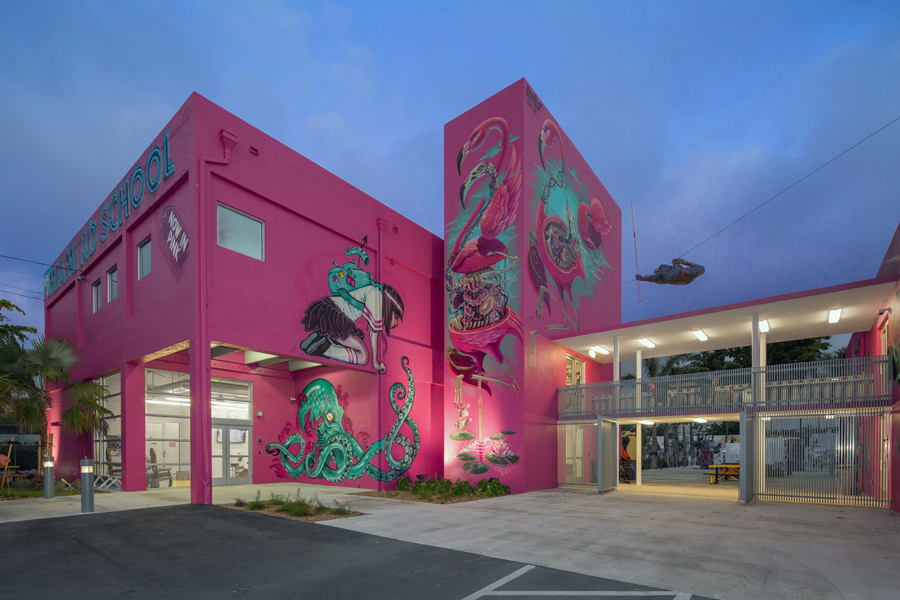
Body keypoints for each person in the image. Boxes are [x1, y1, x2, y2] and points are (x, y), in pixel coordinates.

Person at [300, 283, 404, 374]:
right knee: (363, 357)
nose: (395, 323)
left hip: (328, 311)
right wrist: (376, 365)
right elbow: (373, 333)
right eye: (396, 317)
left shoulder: (373, 292)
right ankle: (324, 347)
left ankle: (321, 339)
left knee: (358, 349)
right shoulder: (376, 296)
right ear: (391, 309)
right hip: (336, 317)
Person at [636, 257, 705, 285]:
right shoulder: (683, 270)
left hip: (683, 277)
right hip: (675, 277)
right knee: (663, 267)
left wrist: (685, 262)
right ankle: (642, 278)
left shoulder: (695, 271)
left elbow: (681, 271)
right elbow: (681, 269)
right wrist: (680, 262)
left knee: (675, 269)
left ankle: (662, 274)